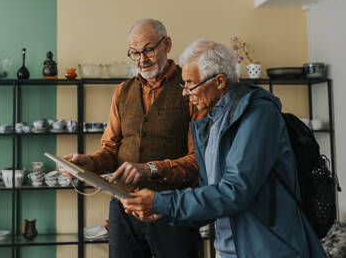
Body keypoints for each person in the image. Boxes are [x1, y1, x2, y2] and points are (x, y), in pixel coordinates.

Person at [120, 39, 327, 257]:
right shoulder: (213, 121)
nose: (185, 93)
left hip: (270, 250)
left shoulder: (258, 114)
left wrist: (162, 202)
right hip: (230, 250)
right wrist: (162, 212)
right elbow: (215, 196)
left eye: (190, 83)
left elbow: (235, 191)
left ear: (219, 81)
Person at [60, 19, 205, 258]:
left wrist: (151, 169)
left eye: (148, 49)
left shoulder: (189, 88)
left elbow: (199, 159)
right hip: (123, 209)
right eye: (134, 53)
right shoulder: (122, 91)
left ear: (167, 44)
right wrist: (90, 163)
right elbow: (110, 151)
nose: (142, 59)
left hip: (171, 209)